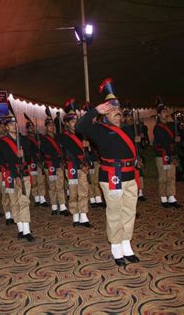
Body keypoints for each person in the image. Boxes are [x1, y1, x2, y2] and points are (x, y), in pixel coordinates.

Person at [76, 78, 140, 267]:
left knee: (129, 212)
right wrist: (96, 110)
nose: (117, 113)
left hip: (130, 177)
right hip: (113, 176)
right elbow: (80, 127)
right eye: (112, 110)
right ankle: (116, 247)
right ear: (105, 114)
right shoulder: (99, 130)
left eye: (118, 110)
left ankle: (127, 244)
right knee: (115, 213)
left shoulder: (128, 129)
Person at [0, 113, 35, 241]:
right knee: (14, 202)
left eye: (15, 124)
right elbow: (7, 160)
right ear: (6, 127)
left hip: (24, 173)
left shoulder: (23, 139)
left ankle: (27, 230)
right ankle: (20, 228)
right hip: (11, 175)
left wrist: (24, 155)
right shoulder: (2, 142)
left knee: (24, 200)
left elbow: (30, 157)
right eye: (11, 124)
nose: (14, 126)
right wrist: (16, 175)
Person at [59, 101, 93, 228]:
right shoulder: (64, 136)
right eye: (72, 121)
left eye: (76, 121)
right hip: (73, 166)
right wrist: (81, 165)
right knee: (73, 192)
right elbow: (72, 152)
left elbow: (86, 152)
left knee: (84, 190)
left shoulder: (82, 135)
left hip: (83, 165)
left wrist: (88, 147)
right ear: (67, 123)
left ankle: (84, 216)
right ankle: (75, 215)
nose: (75, 124)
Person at [153, 104, 181, 208]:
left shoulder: (171, 125)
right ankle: (163, 197)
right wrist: (172, 150)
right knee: (163, 177)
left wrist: (177, 139)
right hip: (162, 155)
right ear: (159, 114)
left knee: (171, 176)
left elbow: (174, 138)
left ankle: (171, 196)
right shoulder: (157, 127)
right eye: (163, 112)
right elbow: (164, 142)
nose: (166, 114)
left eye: (166, 112)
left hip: (171, 153)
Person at [40, 112, 68, 215]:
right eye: (49, 126)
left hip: (59, 164)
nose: (52, 127)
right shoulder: (43, 139)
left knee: (60, 186)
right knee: (52, 187)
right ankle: (54, 206)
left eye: (53, 125)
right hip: (50, 165)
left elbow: (63, 150)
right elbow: (46, 152)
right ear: (46, 127)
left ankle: (63, 206)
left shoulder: (58, 137)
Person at [24, 117, 49, 207]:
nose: (32, 129)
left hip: (40, 161)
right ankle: (36, 198)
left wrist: (40, 145)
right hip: (32, 161)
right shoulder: (25, 139)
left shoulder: (39, 137)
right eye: (30, 127)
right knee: (33, 181)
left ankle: (42, 198)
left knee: (41, 180)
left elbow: (44, 148)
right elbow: (26, 151)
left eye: (32, 127)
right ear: (27, 129)